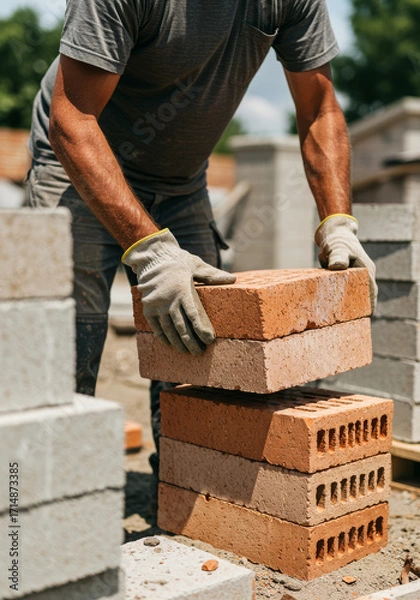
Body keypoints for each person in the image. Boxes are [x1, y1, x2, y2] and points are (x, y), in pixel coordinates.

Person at [28, 0, 377, 481]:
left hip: (181, 182)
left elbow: (319, 108)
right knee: (66, 345)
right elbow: (72, 119)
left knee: (202, 346)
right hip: (76, 164)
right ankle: (44, 517)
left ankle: (178, 498)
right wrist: (152, 253)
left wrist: (338, 223)